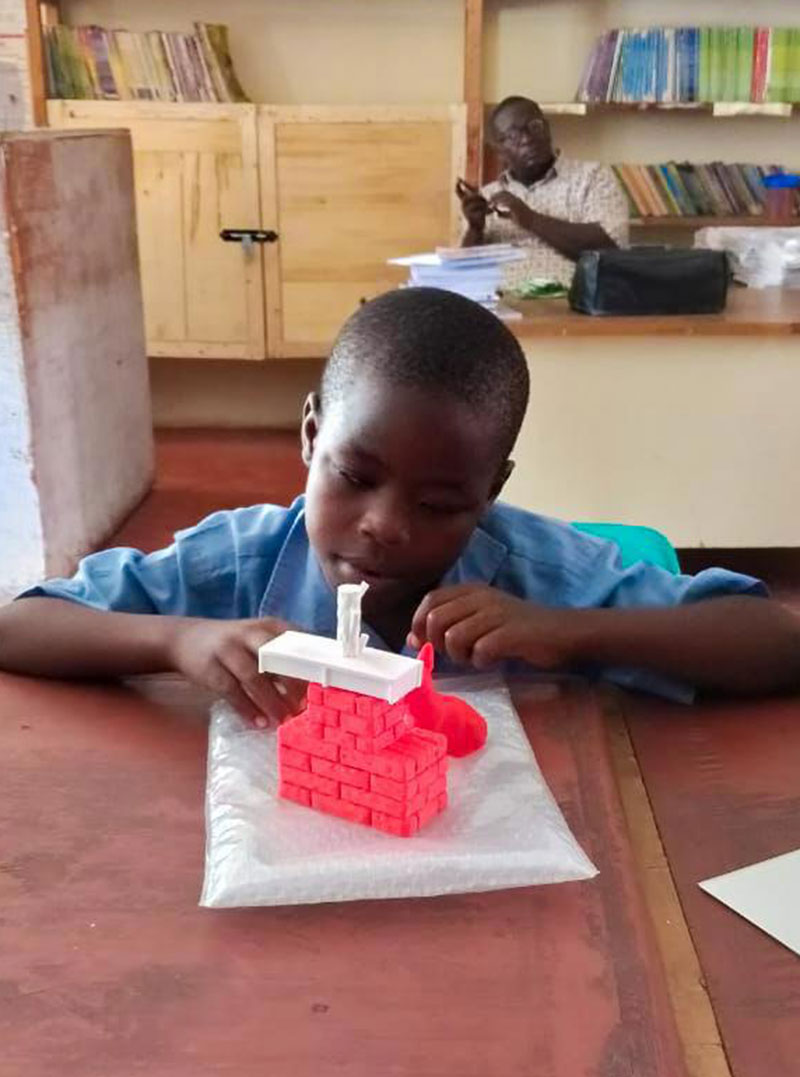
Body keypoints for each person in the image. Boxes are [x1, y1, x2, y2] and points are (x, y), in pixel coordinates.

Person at [1, 288, 798, 727]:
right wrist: (178, 639)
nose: (384, 523)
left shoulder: (537, 577)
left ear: (491, 492)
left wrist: (567, 630)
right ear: (312, 436)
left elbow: (776, 643)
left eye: (443, 501)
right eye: (355, 475)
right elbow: (19, 624)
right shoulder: (247, 560)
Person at [459, 95, 629, 287]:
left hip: (570, 302)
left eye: (534, 127)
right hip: (501, 303)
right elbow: (463, 274)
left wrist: (531, 219)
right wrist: (475, 229)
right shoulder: (489, 196)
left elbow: (612, 248)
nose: (527, 139)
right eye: (513, 135)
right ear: (499, 150)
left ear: (547, 129)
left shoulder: (592, 177)